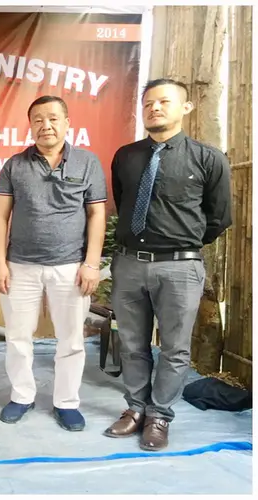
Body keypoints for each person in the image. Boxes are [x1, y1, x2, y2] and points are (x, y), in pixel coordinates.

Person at [104, 79, 232, 450]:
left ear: (185, 108)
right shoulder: (126, 156)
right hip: (129, 265)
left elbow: (218, 217)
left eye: (164, 102)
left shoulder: (208, 158)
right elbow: (124, 202)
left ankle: (159, 415)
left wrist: (179, 243)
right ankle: (135, 408)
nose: (155, 108)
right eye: (148, 103)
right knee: (131, 343)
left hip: (180, 268)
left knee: (175, 349)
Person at [0, 95, 107, 431]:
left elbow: (96, 214)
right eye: (38, 119)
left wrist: (92, 264)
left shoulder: (87, 162)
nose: (46, 125)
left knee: (71, 339)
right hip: (20, 265)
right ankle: (21, 396)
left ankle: (66, 402)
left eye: (53, 118)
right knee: (17, 337)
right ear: (30, 126)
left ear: (67, 123)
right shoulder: (15, 165)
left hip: (70, 266)